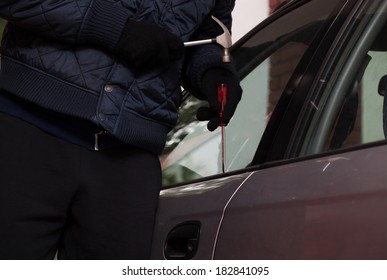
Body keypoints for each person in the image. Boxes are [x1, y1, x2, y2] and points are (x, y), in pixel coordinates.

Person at [0, 0, 242, 260]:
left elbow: (208, 33)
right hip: (29, 130)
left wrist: (212, 71)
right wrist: (115, 28)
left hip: (129, 162)